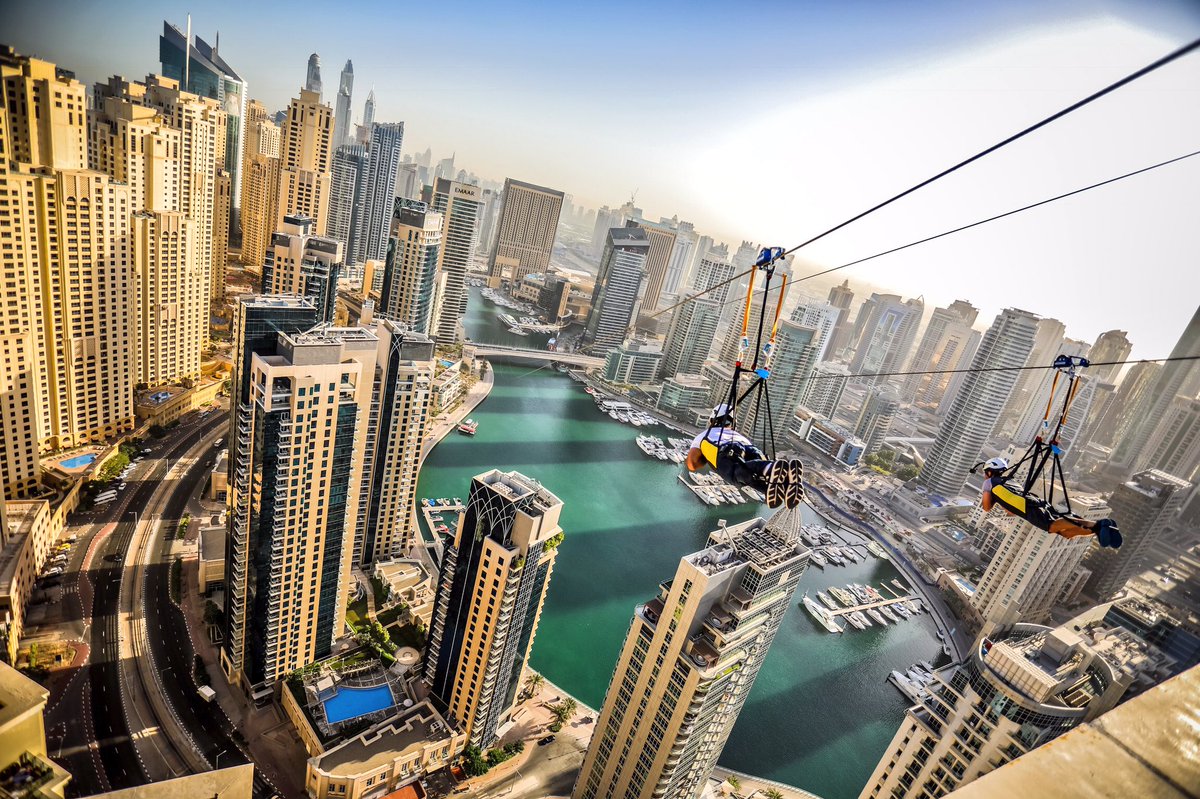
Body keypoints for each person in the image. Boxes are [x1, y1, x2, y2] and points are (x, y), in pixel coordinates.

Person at [979, 458, 1122, 548]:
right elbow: (1011, 507)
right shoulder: (1009, 482)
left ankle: (1098, 524)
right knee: (1067, 534)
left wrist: (990, 499)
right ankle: (1098, 530)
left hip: (1029, 508)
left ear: (991, 472)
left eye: (986, 472)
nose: (985, 475)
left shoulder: (989, 483)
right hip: (1035, 504)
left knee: (1052, 526)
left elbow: (986, 507)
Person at [686, 405, 804, 509]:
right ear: (732, 423)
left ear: (712, 420)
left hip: (727, 450)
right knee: (755, 474)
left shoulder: (704, 436)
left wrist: (704, 458)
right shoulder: (738, 435)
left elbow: (692, 464)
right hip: (750, 448)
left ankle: (772, 472)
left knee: (738, 473)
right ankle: (781, 479)